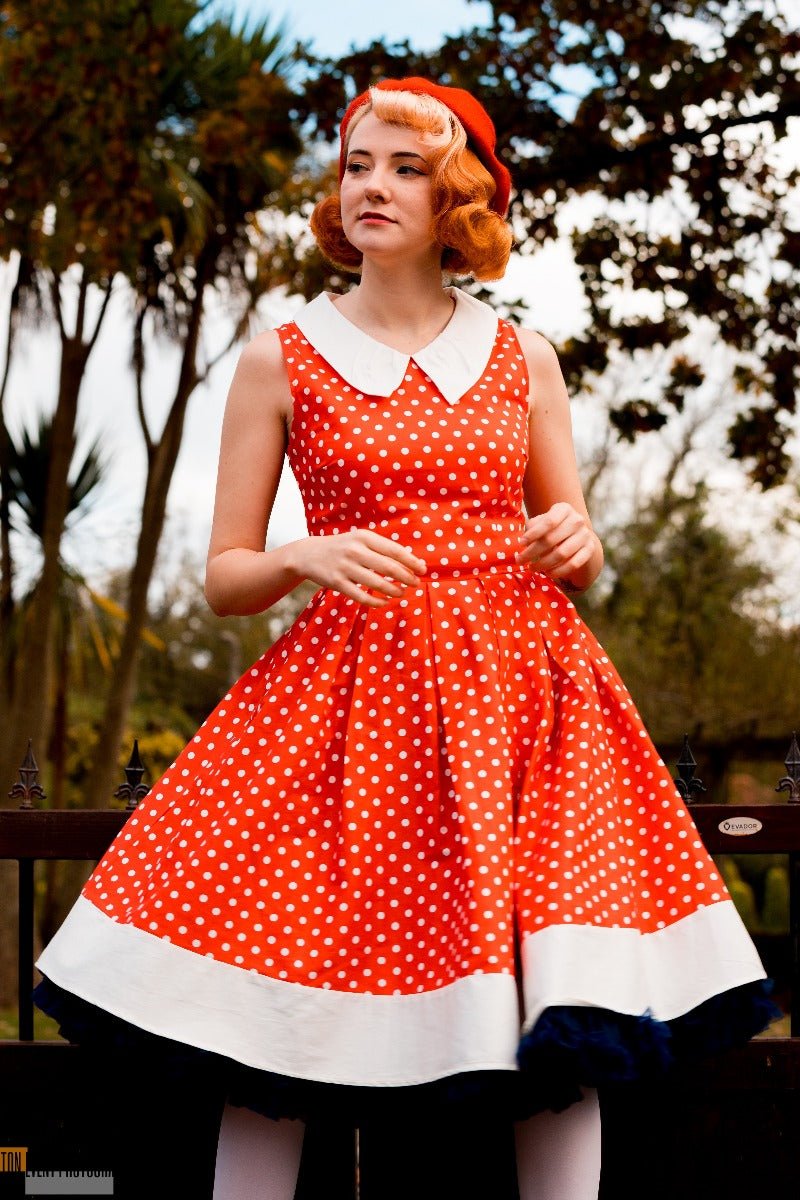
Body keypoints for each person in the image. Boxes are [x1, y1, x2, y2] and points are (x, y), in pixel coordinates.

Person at [32, 76, 777, 1200]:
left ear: (458, 196)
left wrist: (575, 539)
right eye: (357, 165)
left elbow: (575, 547)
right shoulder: (279, 356)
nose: (371, 186)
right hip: (341, 717)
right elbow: (224, 575)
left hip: (524, 708)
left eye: (405, 168)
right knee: (267, 1020)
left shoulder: (523, 356)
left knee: (553, 1015)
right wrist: (304, 556)